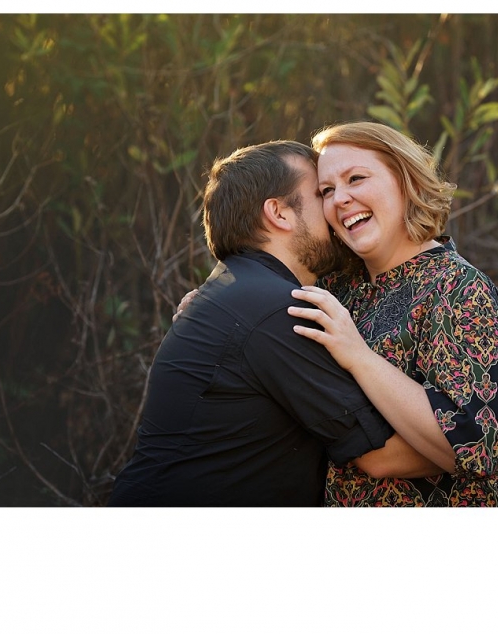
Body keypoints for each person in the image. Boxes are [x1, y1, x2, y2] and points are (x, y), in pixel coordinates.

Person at [108, 140, 446, 507]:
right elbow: (381, 455)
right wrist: (480, 443)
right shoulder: (276, 309)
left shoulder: (237, 293)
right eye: (322, 194)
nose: (335, 208)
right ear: (279, 214)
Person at [287, 121, 498, 506]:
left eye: (356, 178)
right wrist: (213, 303)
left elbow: (477, 447)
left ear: (404, 180)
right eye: (327, 190)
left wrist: (358, 356)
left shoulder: (457, 287)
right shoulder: (338, 288)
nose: (339, 199)